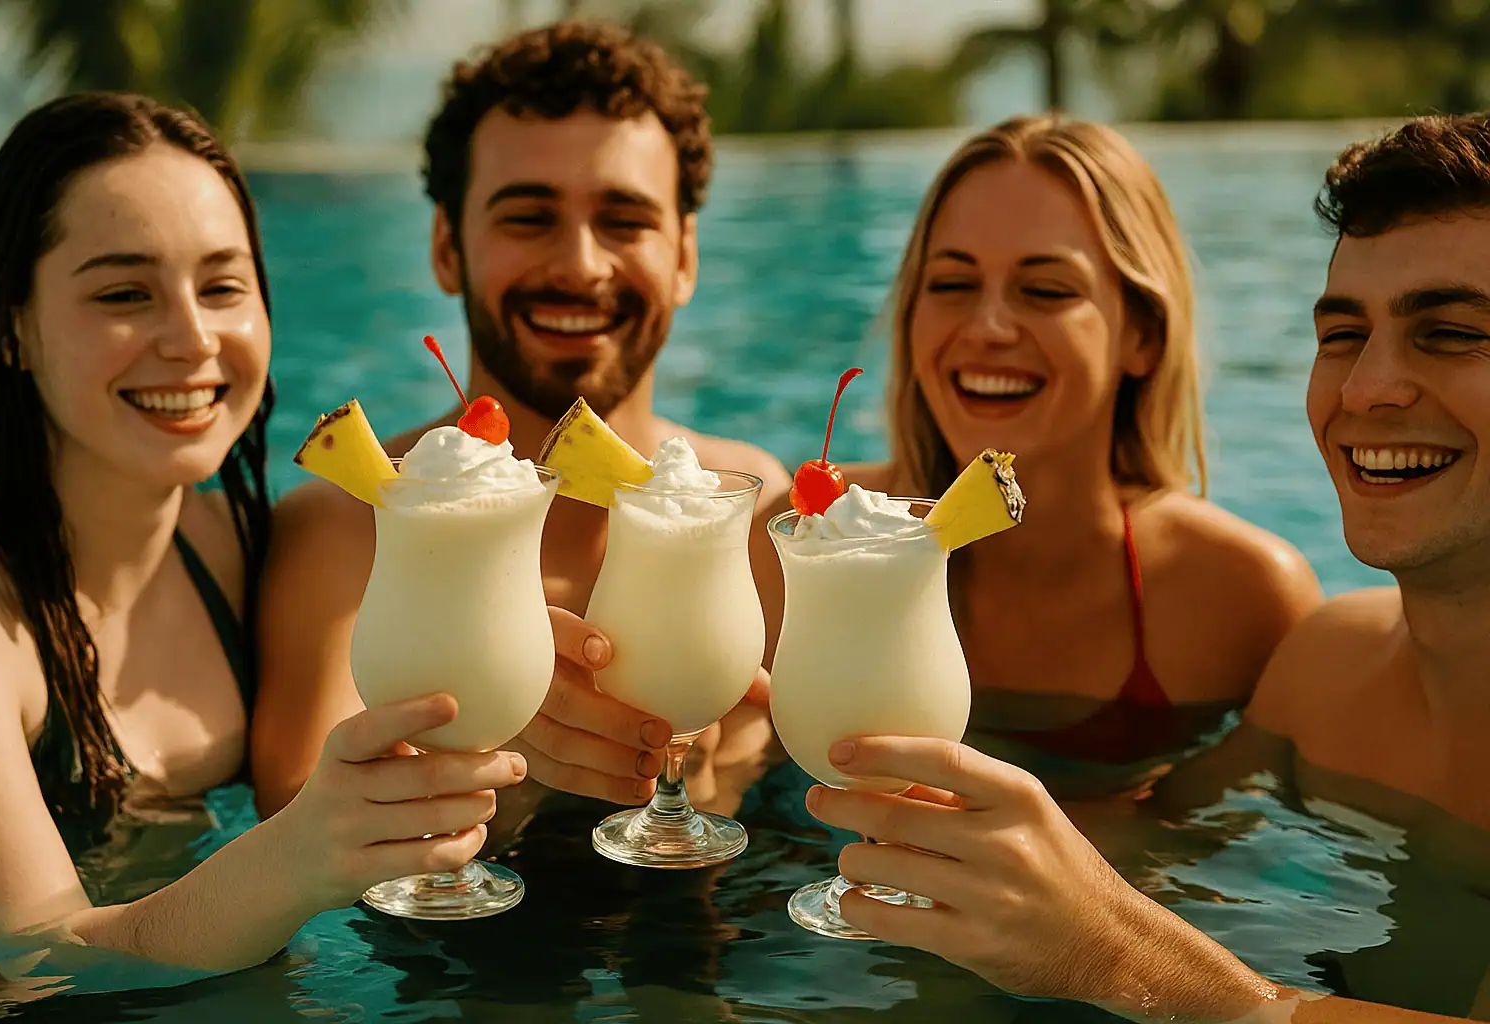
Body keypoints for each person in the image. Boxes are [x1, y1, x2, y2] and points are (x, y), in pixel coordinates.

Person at [804, 113, 1490, 1022]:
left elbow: (1118, 923)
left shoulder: (1251, 606)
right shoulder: (1324, 675)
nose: (1366, 389)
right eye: (1341, 335)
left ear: (1143, 334)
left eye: (1451, 333)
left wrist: (1114, 952)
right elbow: (1152, 848)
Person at [0, 93, 524, 982]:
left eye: (223, 286)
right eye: (122, 293)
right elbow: (40, 957)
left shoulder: (236, 548)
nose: (192, 340)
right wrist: (298, 857)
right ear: (10, 327)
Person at [253, 21, 789, 819]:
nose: (579, 264)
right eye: (529, 217)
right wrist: (515, 772)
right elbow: (297, 828)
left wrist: (714, 781)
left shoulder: (751, 508)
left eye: (625, 219)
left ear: (684, 258)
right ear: (445, 246)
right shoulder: (345, 529)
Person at [756, 115, 1323, 794]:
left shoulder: (1241, 598)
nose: (988, 327)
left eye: (1047, 290)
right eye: (952, 284)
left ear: (1142, 335)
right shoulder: (806, 547)